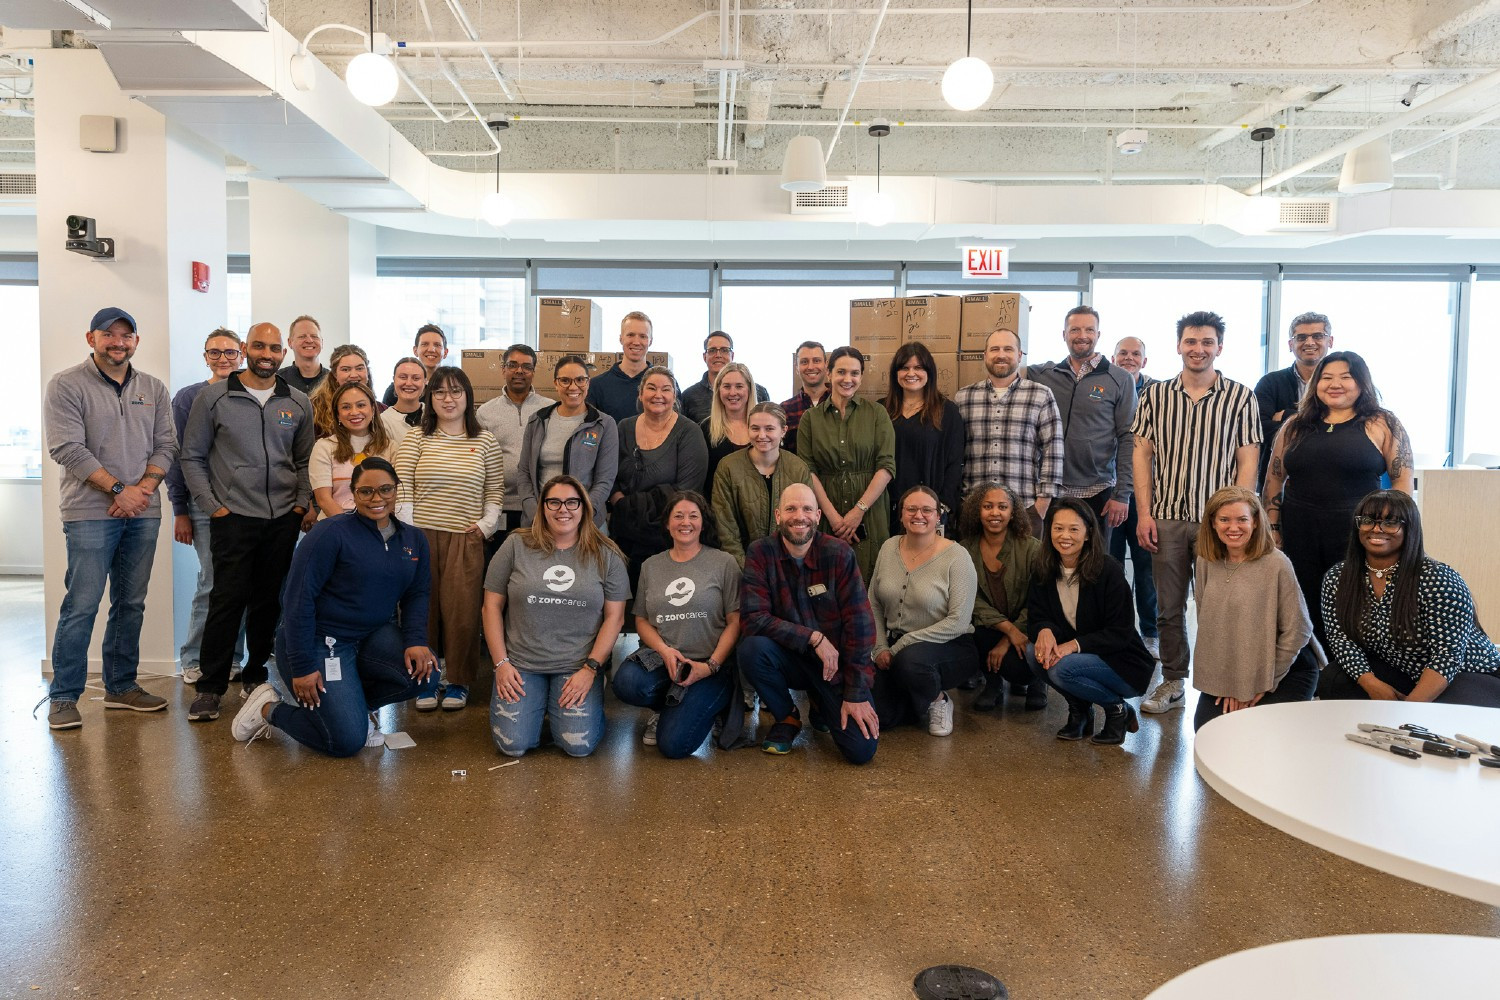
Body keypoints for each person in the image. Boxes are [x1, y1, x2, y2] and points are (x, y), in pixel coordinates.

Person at [230, 458, 437, 755]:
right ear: (353, 493)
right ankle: (266, 709)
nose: (377, 498)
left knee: (426, 672)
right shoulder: (330, 533)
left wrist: (416, 641)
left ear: (396, 490)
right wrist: (302, 665)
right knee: (345, 741)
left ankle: (351, 707)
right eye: (366, 491)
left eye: (385, 489)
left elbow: (418, 593)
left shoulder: (414, 539)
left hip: (371, 636)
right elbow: (297, 600)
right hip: (320, 641)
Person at [41, 306, 176, 730]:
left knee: (130, 602)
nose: (118, 342)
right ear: (91, 338)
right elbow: (67, 448)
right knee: (81, 604)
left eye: (126, 335)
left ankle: (121, 687)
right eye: (108, 335)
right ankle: (63, 696)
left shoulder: (153, 388)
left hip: (143, 512)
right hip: (88, 514)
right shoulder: (66, 385)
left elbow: (166, 446)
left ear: (136, 340)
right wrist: (121, 491)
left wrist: (142, 492)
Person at [180, 321, 315, 722]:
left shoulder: (296, 402)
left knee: (268, 600)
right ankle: (210, 687)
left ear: (283, 354)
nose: (267, 354)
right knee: (226, 600)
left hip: (282, 518)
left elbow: (305, 458)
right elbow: (192, 457)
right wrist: (212, 505)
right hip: (233, 516)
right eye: (259, 346)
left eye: (274, 348)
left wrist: (299, 503)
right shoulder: (214, 398)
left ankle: (256, 674)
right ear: (245, 348)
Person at [1131, 311, 1261, 715]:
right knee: (1167, 608)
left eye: (1207, 342)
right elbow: (1141, 455)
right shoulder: (1155, 396)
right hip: (1166, 516)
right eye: (1191, 341)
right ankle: (1172, 681)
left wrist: (1240, 519)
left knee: (1218, 607)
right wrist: (1144, 513)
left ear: (1219, 347)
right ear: (1178, 346)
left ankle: (1220, 682)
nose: (1198, 349)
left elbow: (1248, 460)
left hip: (1217, 522)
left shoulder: (1241, 396)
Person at [1261, 351, 1413, 642]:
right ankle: (1310, 671)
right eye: (1327, 377)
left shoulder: (1383, 423)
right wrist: (1273, 528)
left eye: (1346, 377)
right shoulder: (1294, 425)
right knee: (1303, 602)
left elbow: (1401, 481)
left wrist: (1394, 529)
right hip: (1299, 528)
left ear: (1361, 383)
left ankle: (1353, 674)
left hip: (1357, 531)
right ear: (1316, 383)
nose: (1335, 384)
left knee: (1352, 604)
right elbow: (1273, 479)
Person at [483, 476, 630, 757]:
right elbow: (490, 606)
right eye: (554, 502)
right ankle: (539, 711)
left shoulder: (607, 554)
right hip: (522, 664)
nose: (563, 509)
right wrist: (500, 663)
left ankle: (575, 705)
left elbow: (615, 618)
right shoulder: (516, 544)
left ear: (584, 508)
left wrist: (591, 669)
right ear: (542, 508)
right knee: (512, 744)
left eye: (572, 502)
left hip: (577, 666)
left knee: (578, 746)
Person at [738, 483, 880, 763]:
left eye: (806, 509)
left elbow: (860, 625)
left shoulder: (839, 553)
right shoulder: (760, 553)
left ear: (817, 516)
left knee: (860, 751)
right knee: (751, 649)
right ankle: (787, 718)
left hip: (833, 666)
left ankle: (819, 702)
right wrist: (813, 638)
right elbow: (753, 619)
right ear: (778, 516)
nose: (798, 516)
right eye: (791, 508)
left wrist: (856, 693)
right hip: (789, 657)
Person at [1320, 490, 1500, 707]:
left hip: (1464, 672)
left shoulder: (1438, 578)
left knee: (1442, 719)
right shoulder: (1338, 577)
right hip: (1403, 669)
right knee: (1333, 679)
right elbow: (1341, 640)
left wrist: (1407, 710)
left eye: (1390, 522)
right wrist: (1373, 685)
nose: (1377, 529)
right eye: (1368, 521)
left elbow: (1447, 657)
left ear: (1409, 528)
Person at [392, 366, 504, 712]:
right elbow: (402, 486)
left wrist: (486, 525)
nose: (448, 399)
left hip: (465, 538)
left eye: (456, 391)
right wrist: (411, 529)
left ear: (468, 397)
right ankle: (425, 679)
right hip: (419, 538)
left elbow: (495, 490)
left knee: (462, 614)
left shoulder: (484, 440)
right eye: (439, 392)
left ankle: (458, 680)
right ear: (430, 398)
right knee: (422, 611)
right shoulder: (416, 439)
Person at [612, 491, 741, 757]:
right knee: (626, 682)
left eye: (693, 516)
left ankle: (713, 704)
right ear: (667, 524)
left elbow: (736, 621)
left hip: (710, 664)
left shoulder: (723, 562)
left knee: (673, 746)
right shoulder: (651, 566)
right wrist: (664, 650)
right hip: (666, 661)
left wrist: (710, 666)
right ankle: (666, 707)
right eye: (678, 516)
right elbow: (642, 620)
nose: (686, 522)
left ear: (703, 523)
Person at [1028, 498, 1154, 746]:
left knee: (1061, 669)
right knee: (1033, 652)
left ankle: (1118, 709)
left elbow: (1121, 632)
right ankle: (1079, 710)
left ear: (1088, 534)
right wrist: (1044, 630)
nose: (1065, 536)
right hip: (1082, 656)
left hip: (1122, 662)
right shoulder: (1043, 567)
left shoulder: (1109, 570)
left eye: (1074, 529)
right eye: (1058, 528)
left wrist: (1072, 645)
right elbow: (1037, 615)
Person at [1191, 487, 1317, 731]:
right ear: (1213, 524)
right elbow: (1211, 629)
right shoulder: (1206, 560)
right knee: (1208, 732)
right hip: (1237, 666)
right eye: (1224, 520)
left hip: (1286, 668)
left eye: (1242, 519)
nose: (1233, 528)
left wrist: (1258, 685)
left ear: (1256, 522)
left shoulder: (1276, 563)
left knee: (1255, 734)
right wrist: (1230, 683)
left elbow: (1298, 631)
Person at [168, 328, 248, 685]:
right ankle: (194, 657)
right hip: (203, 506)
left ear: (241, 355)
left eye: (230, 353)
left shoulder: (252, 394)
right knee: (212, 581)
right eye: (214, 353)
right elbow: (179, 457)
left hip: (246, 505)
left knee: (241, 582)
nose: (223, 359)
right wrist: (180, 510)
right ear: (205, 357)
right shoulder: (189, 398)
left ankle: (232, 657)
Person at [868, 486, 979, 737]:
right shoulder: (888, 547)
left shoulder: (957, 556)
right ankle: (916, 699)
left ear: (938, 516)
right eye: (912, 509)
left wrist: (900, 646)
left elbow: (959, 621)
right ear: (901, 514)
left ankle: (939, 699)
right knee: (882, 717)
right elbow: (873, 602)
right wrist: (880, 647)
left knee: (910, 662)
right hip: (895, 647)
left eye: (927, 510)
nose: (919, 515)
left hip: (949, 645)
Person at [1024, 306, 1135, 548]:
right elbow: (1011, 364)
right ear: (1064, 334)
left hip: (1098, 490)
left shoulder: (1120, 379)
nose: (1081, 335)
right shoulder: (1044, 374)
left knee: (1095, 566)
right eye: (1074, 329)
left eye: (1088, 329)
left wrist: (1123, 494)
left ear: (1098, 335)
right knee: (1049, 563)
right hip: (1051, 489)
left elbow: (1128, 437)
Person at [796, 346, 896, 581]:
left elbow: (886, 466)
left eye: (855, 373)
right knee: (826, 583)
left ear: (861, 376)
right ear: (829, 375)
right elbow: (807, 470)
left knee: (870, 583)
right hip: (825, 511)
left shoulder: (877, 413)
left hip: (870, 513)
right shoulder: (810, 419)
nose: (848, 379)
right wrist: (833, 517)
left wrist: (857, 512)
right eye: (841, 372)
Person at [954, 327, 1063, 536]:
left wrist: (1042, 505)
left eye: (1008, 349)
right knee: (973, 567)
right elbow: (955, 453)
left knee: (1025, 568)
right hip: (975, 507)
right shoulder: (964, 397)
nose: (1001, 355)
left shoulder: (1040, 395)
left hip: (1024, 507)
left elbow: (1053, 450)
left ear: (1019, 355)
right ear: (985, 355)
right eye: (994, 349)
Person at [610, 366, 709, 590]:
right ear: (640, 393)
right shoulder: (623, 427)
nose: (658, 395)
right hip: (625, 534)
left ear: (674, 396)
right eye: (651, 388)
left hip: (669, 536)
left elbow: (687, 490)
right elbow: (610, 474)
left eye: (666, 389)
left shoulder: (689, 432)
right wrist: (620, 502)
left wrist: (632, 505)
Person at [960, 483, 1045, 712]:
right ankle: (993, 684)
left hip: (1028, 629)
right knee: (968, 631)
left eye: (1002, 507)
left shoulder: (1032, 549)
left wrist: (1009, 638)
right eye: (987, 506)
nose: (995, 513)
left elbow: (1038, 603)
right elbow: (970, 600)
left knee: (1022, 671)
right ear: (977, 511)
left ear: (1012, 512)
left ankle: (1039, 682)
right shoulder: (963, 550)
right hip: (990, 628)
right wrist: (1008, 630)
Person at [514, 354, 617, 529]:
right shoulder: (537, 421)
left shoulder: (604, 424)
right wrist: (536, 513)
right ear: (555, 383)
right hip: (539, 521)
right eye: (565, 380)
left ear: (588, 383)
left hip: (586, 522)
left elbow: (604, 480)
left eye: (580, 380)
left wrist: (579, 516)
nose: (573, 387)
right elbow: (524, 472)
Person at [1106, 336, 1159, 658]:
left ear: (1145, 360)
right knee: (1110, 565)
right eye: (1122, 353)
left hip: (1144, 496)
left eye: (1135, 353)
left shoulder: (1157, 392)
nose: (1129, 358)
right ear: (1113, 358)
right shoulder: (1106, 386)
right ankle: (1116, 630)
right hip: (1109, 491)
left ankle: (1150, 632)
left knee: (1145, 566)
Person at [712, 402, 813, 567]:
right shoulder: (728, 467)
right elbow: (726, 529)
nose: (761, 435)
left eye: (769, 428)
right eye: (755, 428)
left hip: (790, 566)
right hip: (742, 567)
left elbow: (806, 523)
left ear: (784, 431)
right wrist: (748, 571)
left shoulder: (798, 468)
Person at [884, 343, 963, 534]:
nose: (911, 373)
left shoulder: (947, 411)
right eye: (904, 367)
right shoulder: (882, 410)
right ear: (896, 373)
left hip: (929, 511)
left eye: (918, 367)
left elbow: (955, 463)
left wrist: (941, 508)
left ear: (929, 372)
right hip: (889, 509)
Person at [476, 344, 550, 543]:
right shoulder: (485, 412)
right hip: (499, 506)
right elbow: (478, 463)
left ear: (533, 372)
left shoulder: (550, 409)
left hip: (539, 506)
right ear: (503, 369)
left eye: (526, 366)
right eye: (513, 365)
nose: (519, 371)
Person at [1254, 311, 1333, 487]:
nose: (1309, 342)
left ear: (1330, 341)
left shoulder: (1342, 385)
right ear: (1291, 344)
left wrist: (1286, 415)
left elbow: (1346, 429)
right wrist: (1322, 426)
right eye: (1301, 337)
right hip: (1279, 487)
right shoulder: (1270, 383)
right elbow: (1260, 429)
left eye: (1318, 336)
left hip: (1331, 482)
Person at [309, 382, 396, 520]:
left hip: (380, 526)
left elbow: (394, 498)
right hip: (336, 527)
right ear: (337, 414)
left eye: (361, 405)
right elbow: (324, 500)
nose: (354, 412)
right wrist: (352, 531)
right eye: (346, 407)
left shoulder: (390, 447)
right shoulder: (323, 447)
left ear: (373, 409)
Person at [680, 331, 769, 423]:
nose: (718, 355)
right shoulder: (688, 396)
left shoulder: (759, 392)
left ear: (732, 355)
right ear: (704, 357)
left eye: (724, 350)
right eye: (712, 350)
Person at [587, 310, 655, 424]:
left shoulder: (664, 387)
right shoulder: (597, 386)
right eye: (630, 335)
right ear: (621, 338)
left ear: (650, 341)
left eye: (643, 336)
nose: (636, 342)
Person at [699, 362, 756, 487]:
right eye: (727, 386)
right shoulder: (705, 429)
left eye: (739, 386)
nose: (732, 392)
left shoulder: (762, 426)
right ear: (718, 390)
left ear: (749, 389)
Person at [310, 344, 378, 438]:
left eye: (359, 368)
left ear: (367, 371)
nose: (354, 375)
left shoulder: (380, 409)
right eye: (346, 369)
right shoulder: (315, 409)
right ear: (334, 374)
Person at [381, 322, 448, 406]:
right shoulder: (397, 390)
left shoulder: (453, 386)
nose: (431, 349)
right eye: (425, 344)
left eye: (437, 345)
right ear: (415, 350)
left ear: (445, 352)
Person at [780, 340, 828, 455]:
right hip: (796, 472)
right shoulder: (785, 409)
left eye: (816, 361)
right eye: (804, 362)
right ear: (796, 368)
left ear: (826, 365)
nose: (811, 367)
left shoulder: (840, 403)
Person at [380, 356, 426, 448]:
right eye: (403, 377)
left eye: (416, 378)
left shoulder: (434, 414)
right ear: (394, 380)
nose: (409, 383)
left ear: (425, 382)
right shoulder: (383, 421)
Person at [277, 314, 328, 395]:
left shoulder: (333, 380)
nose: (309, 340)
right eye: (302, 336)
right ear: (290, 342)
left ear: (322, 342)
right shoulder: (277, 380)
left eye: (314, 336)